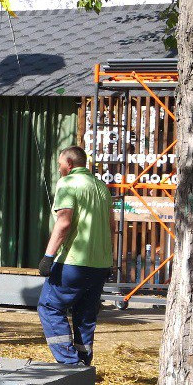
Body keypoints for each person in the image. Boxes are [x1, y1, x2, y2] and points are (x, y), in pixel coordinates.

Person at [36, 146, 113, 366]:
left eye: (60, 164)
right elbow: (111, 225)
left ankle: (69, 364)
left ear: (69, 164)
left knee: (49, 307)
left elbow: (64, 222)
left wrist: (48, 256)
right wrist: (110, 259)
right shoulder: (101, 187)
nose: (59, 168)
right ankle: (83, 364)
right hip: (100, 264)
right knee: (85, 315)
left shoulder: (68, 183)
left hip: (73, 261)